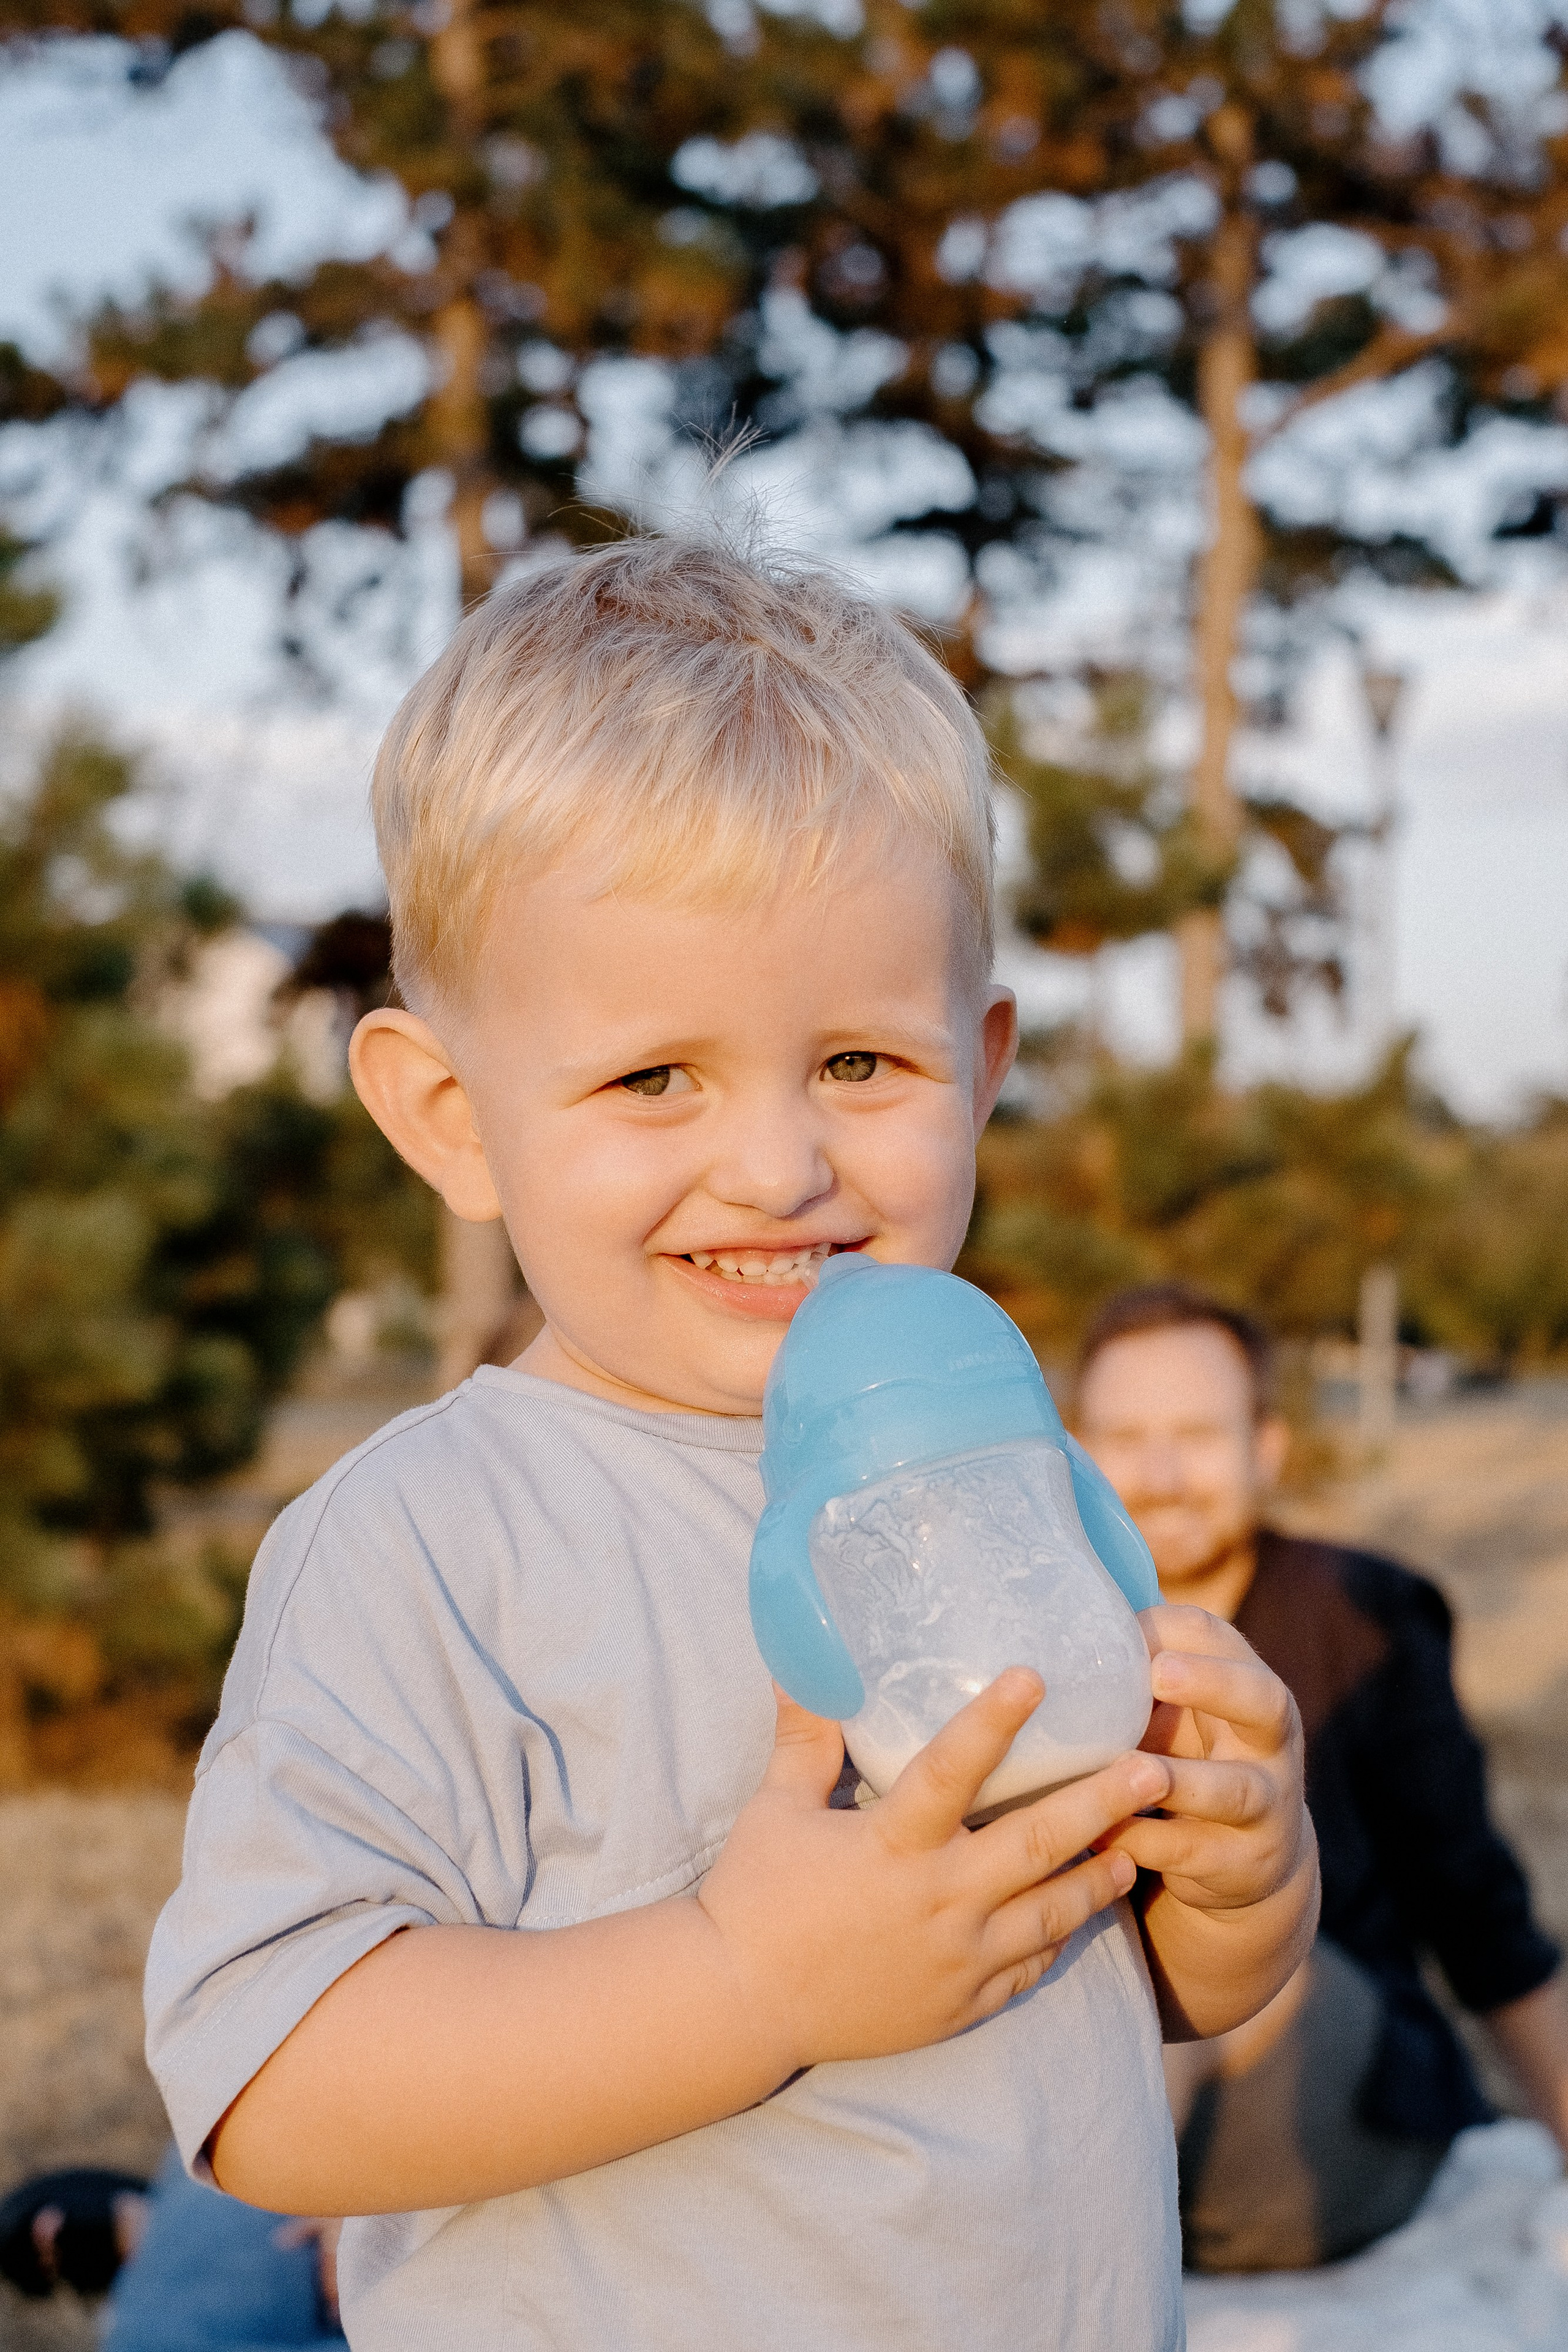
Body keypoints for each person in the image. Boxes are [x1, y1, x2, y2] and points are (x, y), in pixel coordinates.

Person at [145, 537, 1317, 2351]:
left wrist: (1241, 1877)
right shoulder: (434, 1540)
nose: (777, 1162)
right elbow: (274, 2081)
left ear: (979, 1062)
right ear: (451, 1116)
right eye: (651, 1076)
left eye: (857, 1062)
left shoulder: (1007, 1482)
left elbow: (1127, 1972)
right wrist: (744, 1976)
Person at [1076, 1280, 1568, 2276]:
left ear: (1268, 1448)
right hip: (1131, 2149)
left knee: (1187, 1952)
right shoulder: (1039, 1629)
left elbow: (1480, 1913)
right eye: (1124, 1437)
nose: (1161, 1475)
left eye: (1198, 1436)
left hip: (1327, 2098)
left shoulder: (1362, 1614)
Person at [0, 2148, 344, 2347]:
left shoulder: (191, 2152)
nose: (49, 2238)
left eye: (39, 2221)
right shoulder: (140, 2336)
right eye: (40, 2263)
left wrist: (348, 2213)